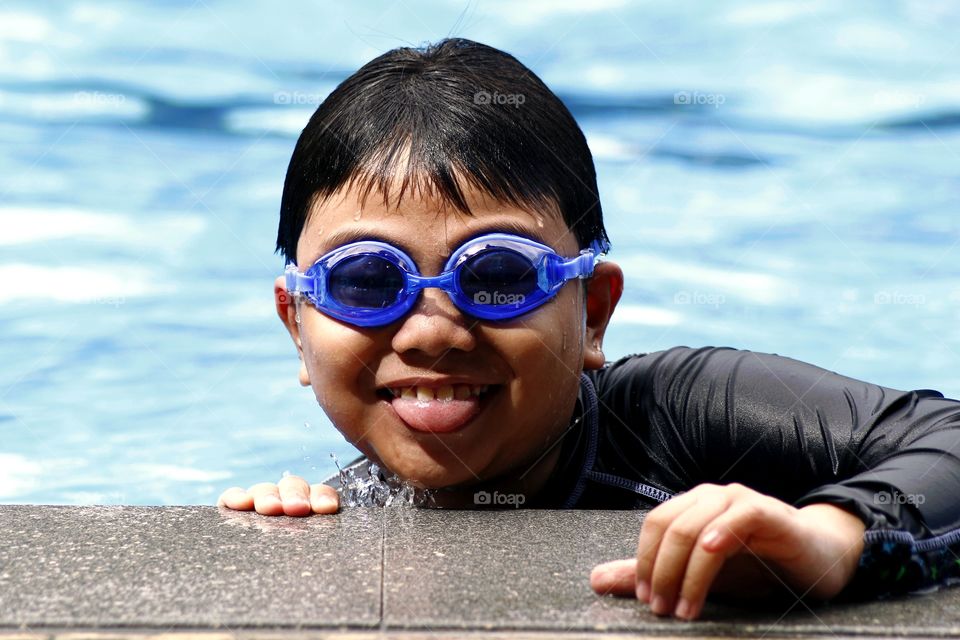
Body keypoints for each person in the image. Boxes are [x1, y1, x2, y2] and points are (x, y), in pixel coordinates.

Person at [217, 38, 960, 621]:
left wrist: (831, 541)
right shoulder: (354, 499)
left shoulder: (680, 412)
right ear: (298, 325)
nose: (429, 333)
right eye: (367, 281)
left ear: (594, 311)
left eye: (498, 275)